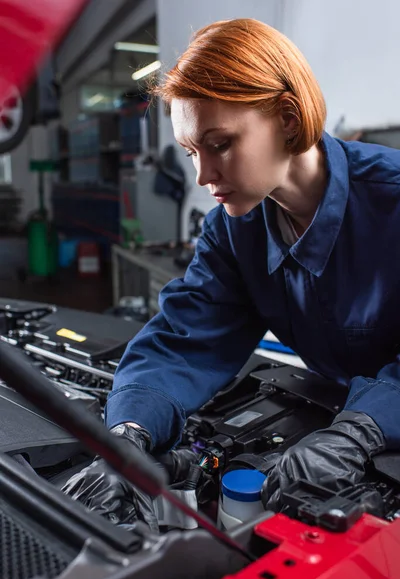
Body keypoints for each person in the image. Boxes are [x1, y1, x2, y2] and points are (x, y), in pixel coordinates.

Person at [64, 17, 400, 524]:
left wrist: (365, 426)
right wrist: (127, 436)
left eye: (219, 144)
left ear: (287, 117)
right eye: (192, 152)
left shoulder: (393, 201)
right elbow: (185, 339)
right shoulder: (234, 230)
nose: (203, 177)